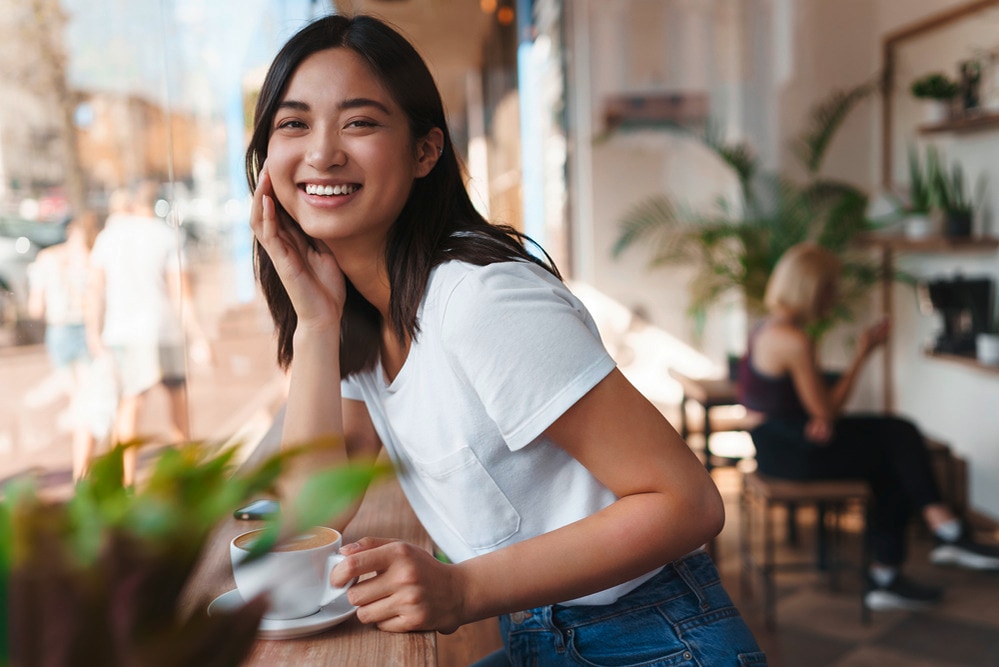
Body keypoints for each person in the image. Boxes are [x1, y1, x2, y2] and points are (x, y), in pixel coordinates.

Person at [247, 14, 765, 666]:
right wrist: (316, 325)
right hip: (541, 637)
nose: (322, 152)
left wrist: (463, 586)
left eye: (360, 122)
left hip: (656, 638)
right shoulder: (354, 314)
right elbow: (309, 507)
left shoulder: (478, 299)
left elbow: (686, 503)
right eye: (293, 124)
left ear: (425, 151)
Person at [738, 241, 999, 612]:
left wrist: (816, 415)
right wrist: (863, 353)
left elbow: (792, 403)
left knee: (894, 450)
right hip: (792, 452)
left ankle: (897, 568)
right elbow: (828, 412)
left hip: (780, 444)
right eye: (832, 286)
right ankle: (937, 535)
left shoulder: (767, 327)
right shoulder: (793, 339)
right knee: (900, 437)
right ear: (812, 287)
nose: (836, 294)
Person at [86, 181, 210, 486]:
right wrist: (197, 335)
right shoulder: (166, 235)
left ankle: (126, 482)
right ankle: (185, 476)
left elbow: (94, 290)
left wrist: (94, 333)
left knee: (129, 407)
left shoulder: (108, 237)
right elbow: (181, 292)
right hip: (162, 328)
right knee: (177, 403)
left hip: (122, 332)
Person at [27, 211, 99, 480]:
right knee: (85, 402)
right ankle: (83, 470)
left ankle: (83, 467)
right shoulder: (91, 258)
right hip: (84, 330)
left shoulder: (47, 259)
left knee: (79, 400)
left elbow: (36, 307)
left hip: (59, 331)